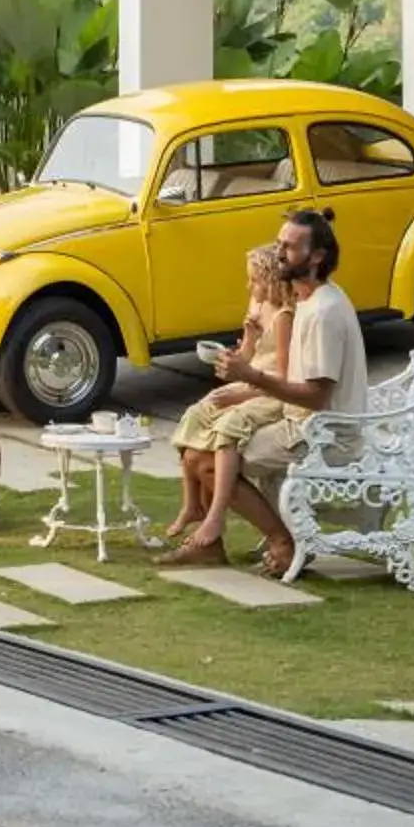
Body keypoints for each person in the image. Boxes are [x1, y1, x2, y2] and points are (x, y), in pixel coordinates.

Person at [158, 208, 365, 574]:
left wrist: (251, 377)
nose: (280, 252)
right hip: (298, 421)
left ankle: (282, 541)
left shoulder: (323, 312)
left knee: (205, 459)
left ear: (317, 257)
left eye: (290, 246)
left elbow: (316, 397)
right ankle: (215, 544)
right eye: (279, 244)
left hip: (322, 434)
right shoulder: (306, 302)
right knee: (194, 454)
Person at [160, 243, 298, 544]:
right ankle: (192, 504)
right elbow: (248, 357)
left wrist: (240, 395)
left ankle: (216, 515)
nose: (250, 286)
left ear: (271, 280)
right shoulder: (257, 305)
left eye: (255, 280)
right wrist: (247, 340)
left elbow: (284, 377)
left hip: (271, 390)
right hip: (252, 380)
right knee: (197, 413)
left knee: (229, 423)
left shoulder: (285, 316)